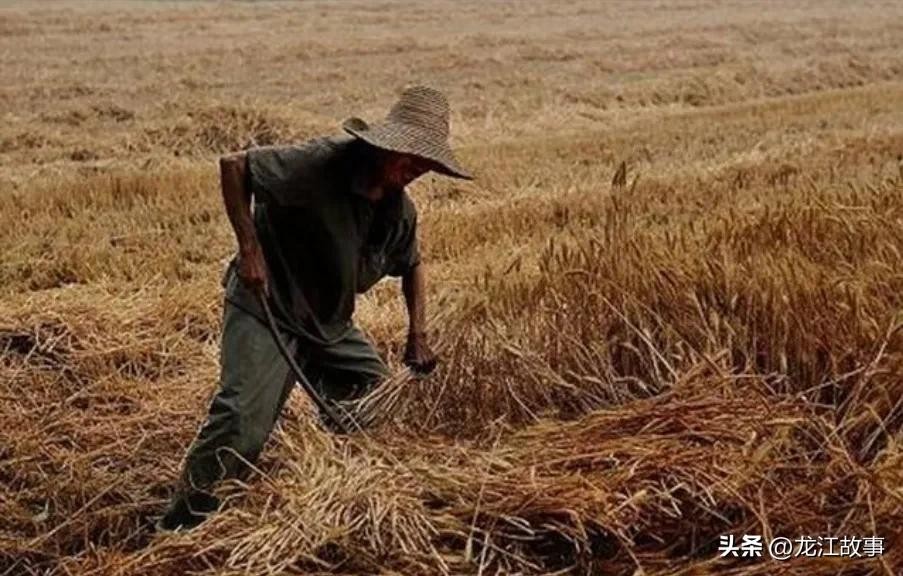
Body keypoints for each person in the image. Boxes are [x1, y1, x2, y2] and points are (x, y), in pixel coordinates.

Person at [157, 85, 472, 532]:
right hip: (270, 306)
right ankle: (181, 526)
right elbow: (234, 166)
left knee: (379, 400)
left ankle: (346, 495)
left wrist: (417, 334)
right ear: (386, 145)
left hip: (328, 322)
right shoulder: (319, 164)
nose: (415, 173)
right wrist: (249, 249)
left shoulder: (397, 210)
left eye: (425, 166)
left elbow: (413, 264)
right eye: (411, 160)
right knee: (241, 420)